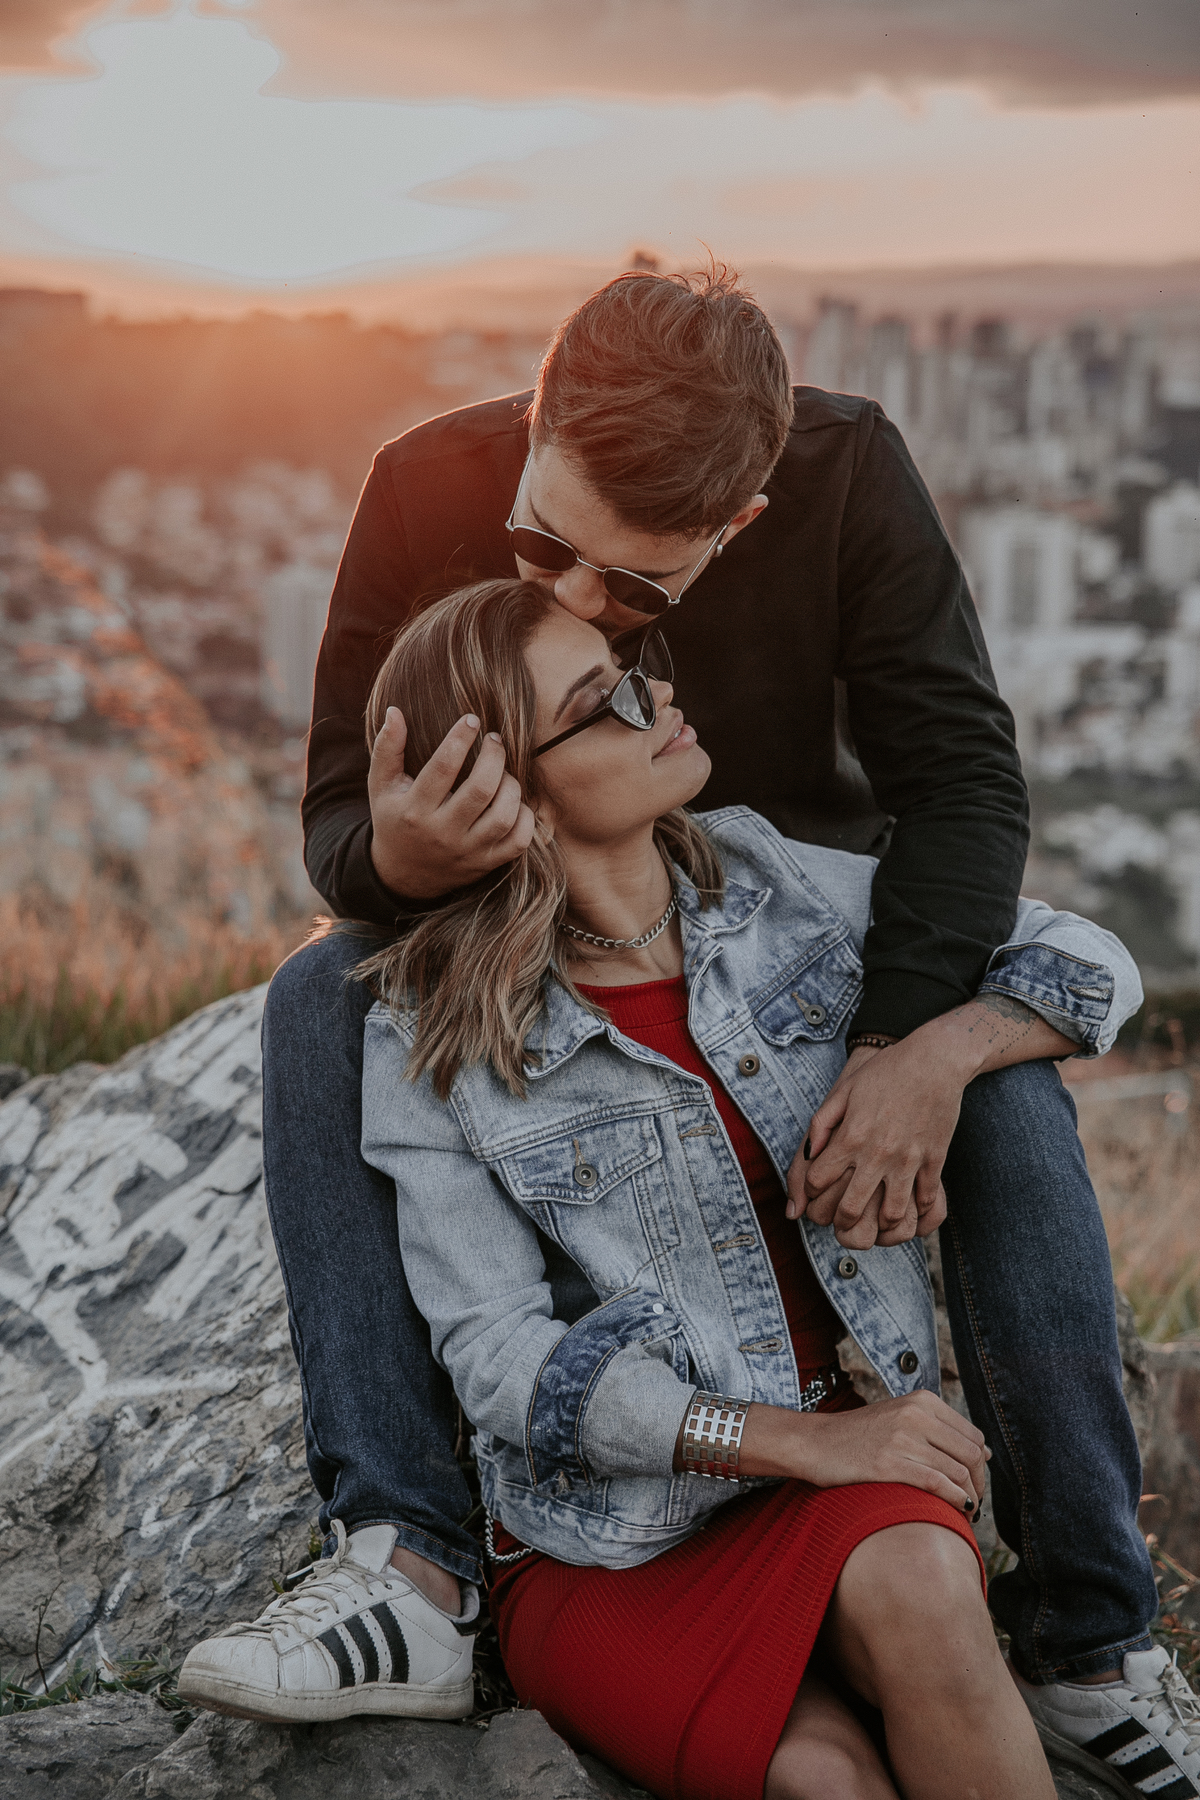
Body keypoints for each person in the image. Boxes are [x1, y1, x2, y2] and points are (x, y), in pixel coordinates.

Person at [180, 269, 1200, 1795]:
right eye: (543, 548)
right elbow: (337, 822)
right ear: (536, 420)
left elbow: (967, 784)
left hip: (801, 922)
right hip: (522, 923)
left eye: (638, 595)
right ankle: (411, 1563)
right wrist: (405, 854)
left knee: (997, 1076)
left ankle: (1089, 1641)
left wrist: (913, 1050)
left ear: (739, 524)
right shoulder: (422, 485)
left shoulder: (848, 473)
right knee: (319, 993)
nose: (583, 606)